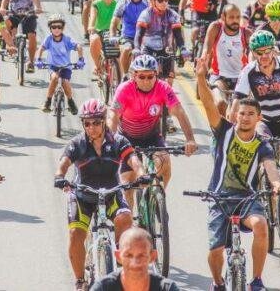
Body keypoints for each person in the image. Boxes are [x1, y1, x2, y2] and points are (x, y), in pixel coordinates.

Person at [193, 57, 280, 291]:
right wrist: (201, 77)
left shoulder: (262, 144)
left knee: (261, 226)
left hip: (247, 199)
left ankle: (256, 280)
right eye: (241, 113)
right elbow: (207, 104)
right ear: (236, 115)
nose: (244, 117)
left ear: (258, 118)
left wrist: (276, 184)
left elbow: (270, 167)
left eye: (250, 114)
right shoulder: (224, 131)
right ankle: (217, 282)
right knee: (215, 250)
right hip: (219, 197)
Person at [55, 99, 147, 291]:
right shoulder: (77, 143)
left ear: (104, 121)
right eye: (87, 123)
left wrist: (141, 175)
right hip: (83, 195)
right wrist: (60, 176)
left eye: (96, 122)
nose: (91, 127)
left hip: (111, 193)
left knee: (125, 217)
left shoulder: (118, 141)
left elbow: (133, 160)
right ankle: (80, 280)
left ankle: (121, 266)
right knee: (75, 233)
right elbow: (64, 162)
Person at [229, 30, 280, 241]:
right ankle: (262, 188)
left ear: (274, 49)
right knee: (267, 159)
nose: (263, 56)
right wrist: (229, 129)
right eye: (258, 52)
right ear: (252, 53)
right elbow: (235, 103)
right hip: (265, 122)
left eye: (267, 51)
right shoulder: (248, 72)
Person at [108, 54, 197, 209]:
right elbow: (113, 116)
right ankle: (130, 224)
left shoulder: (163, 88)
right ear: (134, 76)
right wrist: (110, 141)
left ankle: (156, 198)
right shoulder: (124, 89)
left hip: (151, 136)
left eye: (150, 76)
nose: (146, 81)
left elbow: (179, 112)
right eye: (141, 76)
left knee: (165, 162)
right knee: (127, 186)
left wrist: (190, 139)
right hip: (127, 138)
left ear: (156, 75)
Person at [201, 4, 251, 116]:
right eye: (231, 17)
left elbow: (256, 51)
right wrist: (203, 59)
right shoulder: (216, 28)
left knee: (244, 110)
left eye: (238, 17)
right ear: (223, 17)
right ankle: (220, 132)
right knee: (220, 103)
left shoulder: (246, 33)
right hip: (219, 76)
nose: (235, 21)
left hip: (241, 77)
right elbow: (206, 49)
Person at [91, 227, 180, 291]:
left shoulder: (167, 288)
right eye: (128, 255)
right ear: (118, 256)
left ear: (152, 256)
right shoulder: (103, 288)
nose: (135, 263)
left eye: (141, 255)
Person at [135, 0, 189, 86]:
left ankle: (167, 99)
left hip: (166, 48)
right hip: (148, 48)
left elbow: (178, 35)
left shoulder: (172, 14)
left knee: (170, 79)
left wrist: (182, 48)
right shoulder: (146, 14)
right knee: (143, 75)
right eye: (160, 0)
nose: (164, 3)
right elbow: (139, 34)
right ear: (152, 0)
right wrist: (137, 48)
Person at [36, 13, 85, 113]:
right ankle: (48, 101)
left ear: (63, 28)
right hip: (52, 66)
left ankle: (71, 102)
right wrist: (38, 59)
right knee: (54, 78)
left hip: (65, 67)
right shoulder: (49, 39)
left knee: (65, 82)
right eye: (54, 27)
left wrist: (81, 60)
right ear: (50, 28)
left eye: (59, 27)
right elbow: (41, 48)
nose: (56, 29)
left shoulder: (67, 40)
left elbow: (78, 47)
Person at [0, 0, 43, 73]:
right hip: (14, 12)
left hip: (29, 13)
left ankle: (31, 62)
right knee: (6, 25)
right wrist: (2, 8)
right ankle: (11, 45)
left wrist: (38, 7)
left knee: (32, 36)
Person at [111, 0, 149, 75]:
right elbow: (114, 23)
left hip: (144, 37)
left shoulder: (148, 3)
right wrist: (113, 36)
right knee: (126, 49)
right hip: (128, 36)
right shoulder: (123, 3)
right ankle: (125, 75)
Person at [88, 0, 120, 80]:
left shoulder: (119, 4)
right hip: (99, 32)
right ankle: (98, 67)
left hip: (114, 33)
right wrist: (91, 26)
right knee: (94, 40)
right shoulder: (96, 4)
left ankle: (120, 78)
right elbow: (92, 17)